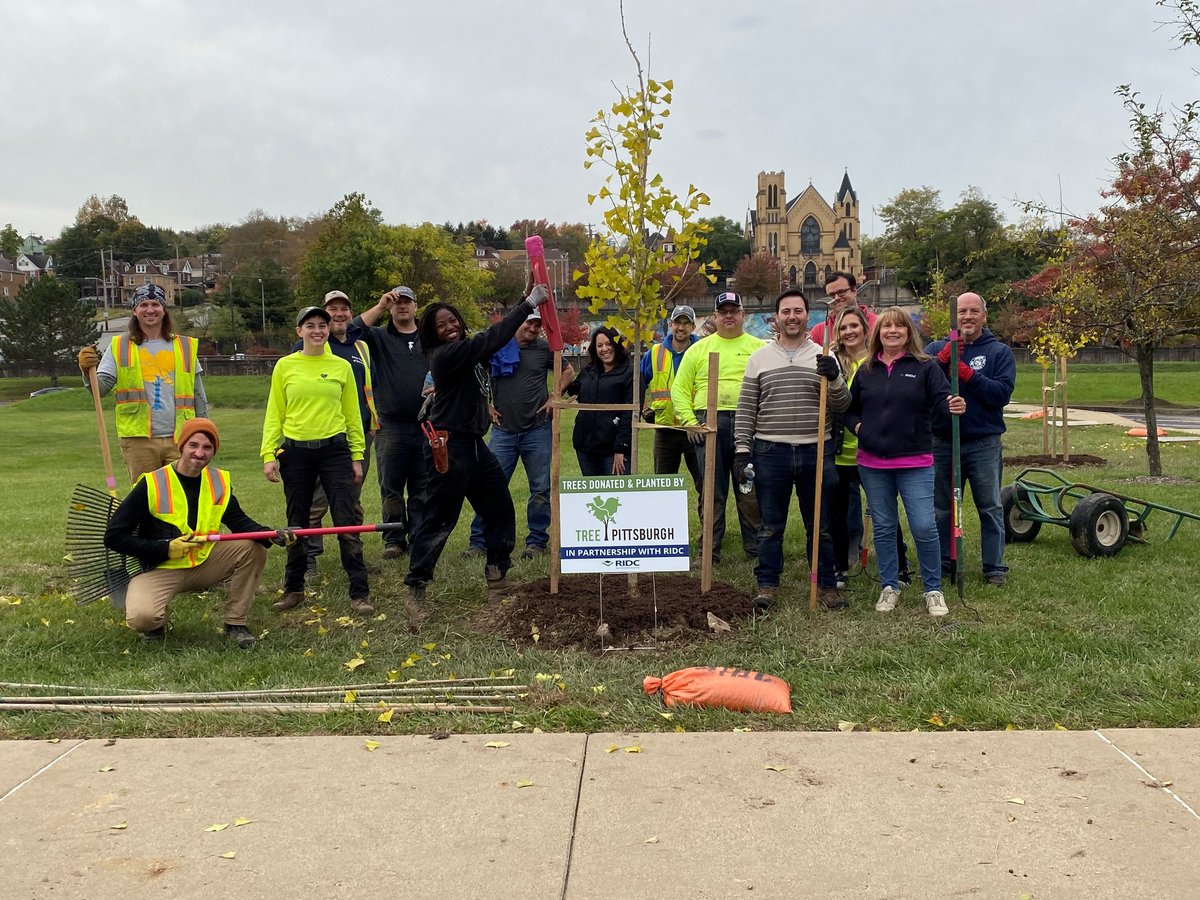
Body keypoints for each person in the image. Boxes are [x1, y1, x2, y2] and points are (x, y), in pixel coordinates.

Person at [404, 284, 550, 622]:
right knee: (440, 518)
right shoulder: (446, 355)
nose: (450, 326)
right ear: (433, 332)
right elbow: (493, 337)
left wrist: (520, 300)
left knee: (498, 508)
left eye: (453, 320)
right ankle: (416, 592)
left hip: (473, 444)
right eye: (441, 324)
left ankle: (497, 579)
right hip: (448, 446)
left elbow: (496, 339)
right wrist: (528, 303)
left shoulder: (467, 355)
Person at [103, 418, 288, 649]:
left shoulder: (218, 482)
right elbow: (113, 536)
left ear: (213, 452)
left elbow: (239, 521)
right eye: (194, 445)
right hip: (161, 568)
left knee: (252, 548)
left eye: (207, 447)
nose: (199, 453)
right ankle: (157, 622)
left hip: (203, 562)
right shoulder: (152, 483)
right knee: (142, 619)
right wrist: (165, 548)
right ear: (182, 446)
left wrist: (272, 534)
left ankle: (235, 623)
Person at [844, 308, 966, 618]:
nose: (893, 331)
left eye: (900, 326)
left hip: (915, 461)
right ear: (878, 333)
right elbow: (849, 410)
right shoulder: (866, 370)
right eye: (887, 327)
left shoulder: (925, 367)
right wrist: (860, 429)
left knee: (924, 526)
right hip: (873, 463)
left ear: (909, 333)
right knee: (884, 527)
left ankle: (933, 589)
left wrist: (954, 404)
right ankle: (890, 586)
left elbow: (942, 401)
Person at [733, 288, 849, 610]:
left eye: (798, 311)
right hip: (771, 452)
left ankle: (826, 585)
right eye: (786, 311)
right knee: (770, 525)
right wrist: (743, 449)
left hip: (816, 450)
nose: (792, 317)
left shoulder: (824, 356)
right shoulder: (759, 358)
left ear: (807, 315)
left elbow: (841, 405)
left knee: (820, 525)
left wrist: (835, 378)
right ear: (777, 317)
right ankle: (767, 583)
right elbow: (746, 409)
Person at [262, 306, 370, 616]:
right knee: (298, 521)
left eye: (322, 325)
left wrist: (356, 456)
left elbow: (352, 414)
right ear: (299, 331)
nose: (317, 330)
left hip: (335, 451)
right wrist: (269, 453)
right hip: (296, 453)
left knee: (346, 519)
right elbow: (275, 413)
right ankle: (294, 588)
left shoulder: (340, 367)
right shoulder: (285, 366)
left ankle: (359, 592)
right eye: (310, 325)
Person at [464, 307, 574, 559]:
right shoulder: (496, 345)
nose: (533, 329)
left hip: (537, 430)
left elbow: (567, 370)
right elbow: (471, 372)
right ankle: (479, 543)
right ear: (517, 322)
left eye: (537, 325)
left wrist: (555, 394)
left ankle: (536, 542)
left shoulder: (544, 348)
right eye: (529, 324)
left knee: (540, 489)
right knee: (489, 487)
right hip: (503, 432)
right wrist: (484, 404)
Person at [926, 291, 1017, 587]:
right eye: (962, 311)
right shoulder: (936, 348)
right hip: (942, 441)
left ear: (984, 315)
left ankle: (994, 567)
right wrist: (941, 361)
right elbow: (920, 386)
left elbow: (1000, 395)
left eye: (973, 311)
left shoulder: (998, 352)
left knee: (989, 506)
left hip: (983, 443)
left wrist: (965, 373)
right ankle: (942, 561)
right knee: (941, 507)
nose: (967, 316)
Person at [77, 283, 207, 483]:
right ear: (135, 311)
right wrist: (87, 371)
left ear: (164, 310)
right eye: (144, 304)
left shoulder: (184, 346)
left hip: (181, 438)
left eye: (155, 304)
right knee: (145, 500)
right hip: (139, 441)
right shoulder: (119, 346)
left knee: (184, 496)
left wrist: (204, 432)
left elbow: (198, 395)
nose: (150, 310)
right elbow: (99, 390)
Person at [671, 291, 765, 563]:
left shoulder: (759, 348)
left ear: (742, 315)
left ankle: (756, 550)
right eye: (722, 311)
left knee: (749, 488)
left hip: (748, 423)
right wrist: (690, 422)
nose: (728, 316)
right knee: (712, 490)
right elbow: (679, 389)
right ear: (714, 316)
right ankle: (708, 551)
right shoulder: (698, 349)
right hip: (709, 423)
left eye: (733, 311)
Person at [295, 290, 379, 583]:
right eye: (333, 309)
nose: (339, 313)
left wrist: (369, 427)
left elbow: (369, 390)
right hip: (324, 437)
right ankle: (308, 560)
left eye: (344, 308)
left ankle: (355, 558)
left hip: (358, 438)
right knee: (316, 502)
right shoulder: (314, 344)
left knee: (351, 502)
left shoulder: (360, 348)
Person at [829, 307, 914, 589]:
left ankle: (900, 566)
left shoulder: (878, 361)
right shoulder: (831, 362)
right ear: (837, 334)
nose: (849, 332)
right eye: (843, 328)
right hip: (841, 450)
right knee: (838, 513)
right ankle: (839, 566)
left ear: (867, 331)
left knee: (884, 511)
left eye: (854, 326)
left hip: (875, 451)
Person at [354, 285, 429, 560]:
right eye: (396, 302)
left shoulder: (429, 336)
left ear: (415, 306)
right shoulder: (379, 337)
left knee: (423, 487)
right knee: (391, 486)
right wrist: (380, 306)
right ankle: (394, 539)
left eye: (406, 301)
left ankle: (420, 536)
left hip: (424, 424)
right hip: (390, 425)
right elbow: (352, 330)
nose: (402, 306)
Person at [640, 305, 702, 485]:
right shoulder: (655, 353)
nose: (681, 327)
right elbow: (638, 383)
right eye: (677, 323)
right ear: (670, 324)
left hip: (695, 428)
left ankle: (706, 515)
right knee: (663, 486)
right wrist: (643, 409)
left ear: (693, 327)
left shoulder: (702, 352)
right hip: (665, 430)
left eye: (686, 323)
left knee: (705, 486)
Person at [565, 326, 633, 476]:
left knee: (616, 496)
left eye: (609, 344)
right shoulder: (588, 371)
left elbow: (629, 414)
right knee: (593, 497)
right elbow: (572, 389)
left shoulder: (629, 374)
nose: (604, 349)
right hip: (585, 448)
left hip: (613, 449)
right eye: (599, 345)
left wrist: (621, 448)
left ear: (616, 344)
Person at [808, 271, 878, 347]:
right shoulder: (818, 332)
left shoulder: (877, 323)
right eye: (831, 295)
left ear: (854, 291)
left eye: (841, 292)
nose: (836, 298)